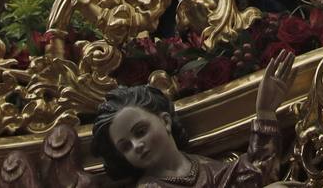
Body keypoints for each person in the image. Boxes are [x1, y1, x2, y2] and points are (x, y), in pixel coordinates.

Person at [92, 50, 302, 187]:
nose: (137, 145)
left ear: (165, 121)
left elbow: (255, 175)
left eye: (140, 131)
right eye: (125, 146)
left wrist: (265, 112)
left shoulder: (200, 165)